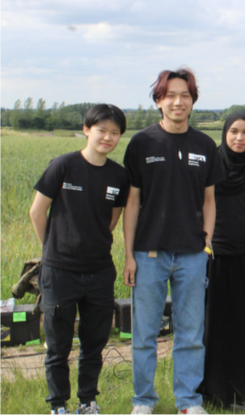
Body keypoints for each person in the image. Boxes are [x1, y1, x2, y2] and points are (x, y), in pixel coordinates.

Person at [123, 68, 225, 415]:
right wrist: (129, 254)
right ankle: (143, 401)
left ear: (193, 101)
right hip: (148, 254)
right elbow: (132, 201)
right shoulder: (142, 144)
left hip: (192, 255)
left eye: (185, 95)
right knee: (144, 335)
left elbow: (209, 200)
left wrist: (207, 244)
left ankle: (188, 402)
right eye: (171, 96)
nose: (178, 101)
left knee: (190, 335)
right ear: (159, 101)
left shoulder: (204, 145)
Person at [29, 104, 129, 415]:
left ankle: (88, 401)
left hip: (99, 271)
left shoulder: (119, 175)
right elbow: (37, 211)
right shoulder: (63, 166)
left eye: (114, 133)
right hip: (60, 272)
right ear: (87, 130)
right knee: (58, 346)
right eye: (102, 130)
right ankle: (58, 405)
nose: (108, 137)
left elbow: (112, 220)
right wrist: (54, 248)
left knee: (93, 344)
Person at [199, 113, 245, 406]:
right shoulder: (209, 166)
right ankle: (214, 390)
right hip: (213, 257)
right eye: (233, 132)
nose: (239, 138)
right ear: (224, 134)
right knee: (214, 324)